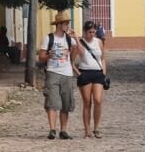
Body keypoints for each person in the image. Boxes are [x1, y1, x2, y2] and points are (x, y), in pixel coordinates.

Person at [38, 11, 80, 140]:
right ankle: (52, 129)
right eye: (65, 23)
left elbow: (77, 51)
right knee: (52, 102)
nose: (67, 25)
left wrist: (75, 38)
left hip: (67, 73)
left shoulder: (69, 39)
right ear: (59, 25)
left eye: (68, 23)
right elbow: (41, 57)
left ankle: (64, 130)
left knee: (66, 103)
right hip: (53, 72)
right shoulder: (49, 38)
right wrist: (48, 56)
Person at [76, 21, 108, 138]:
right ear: (85, 31)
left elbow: (103, 58)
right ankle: (87, 129)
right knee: (87, 102)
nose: (92, 34)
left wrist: (103, 73)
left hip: (98, 73)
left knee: (98, 100)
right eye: (90, 32)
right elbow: (73, 59)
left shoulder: (99, 42)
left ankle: (96, 128)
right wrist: (78, 73)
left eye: (94, 32)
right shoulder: (80, 43)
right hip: (85, 72)